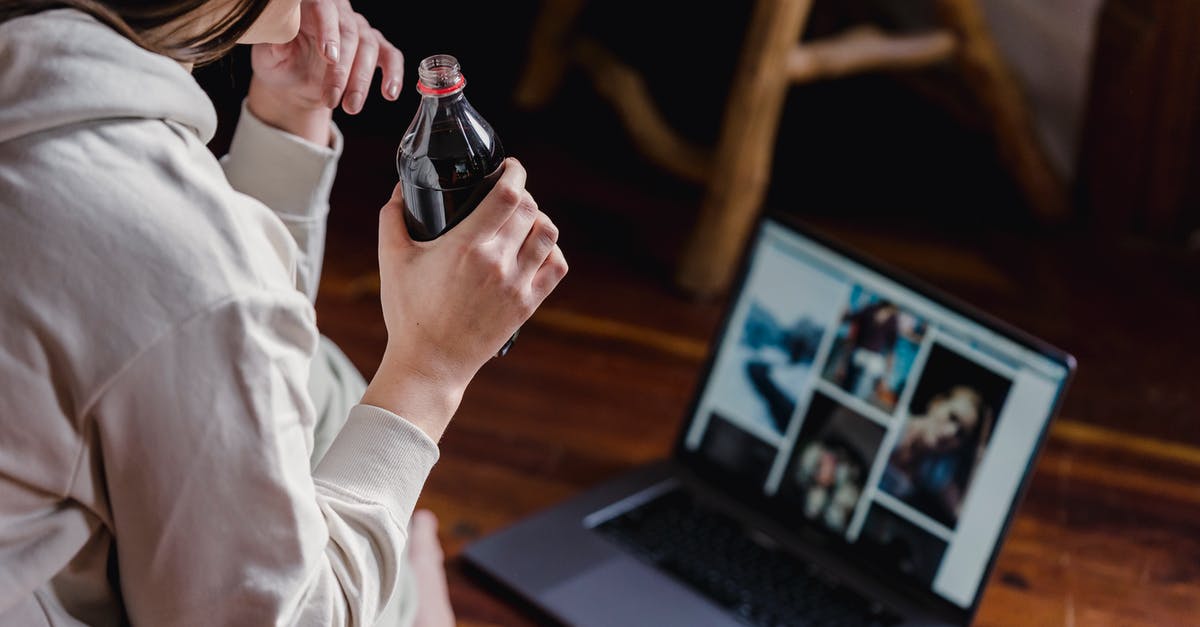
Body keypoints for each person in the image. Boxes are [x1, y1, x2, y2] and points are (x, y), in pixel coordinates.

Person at [0, 0, 567, 624]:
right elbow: (281, 616)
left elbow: (194, 349)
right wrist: (431, 367)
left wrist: (288, 118)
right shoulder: (168, 255)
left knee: (318, 375)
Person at [881, 385, 994, 526]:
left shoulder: (933, 470)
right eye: (952, 417)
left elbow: (961, 513)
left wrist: (980, 449)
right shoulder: (894, 419)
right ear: (936, 404)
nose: (950, 432)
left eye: (961, 434)